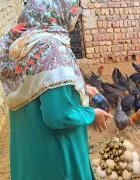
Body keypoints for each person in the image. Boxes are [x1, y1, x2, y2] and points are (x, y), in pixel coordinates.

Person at [0, 0, 112, 179]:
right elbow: (58, 115)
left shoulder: (19, 44)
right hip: (55, 157)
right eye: (74, 10)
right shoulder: (51, 49)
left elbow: (39, 85)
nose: (75, 16)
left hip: (29, 148)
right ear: (59, 10)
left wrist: (81, 88)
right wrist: (92, 114)